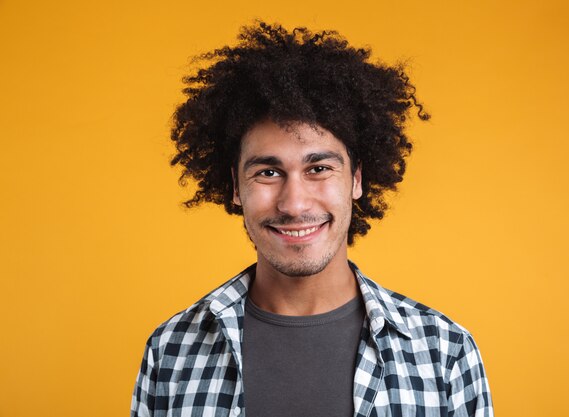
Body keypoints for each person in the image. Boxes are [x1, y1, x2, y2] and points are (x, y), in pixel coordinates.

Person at [131, 21, 494, 417]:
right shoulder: (171, 351)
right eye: (268, 173)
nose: (294, 203)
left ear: (356, 179)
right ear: (236, 187)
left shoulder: (444, 352)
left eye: (318, 168)